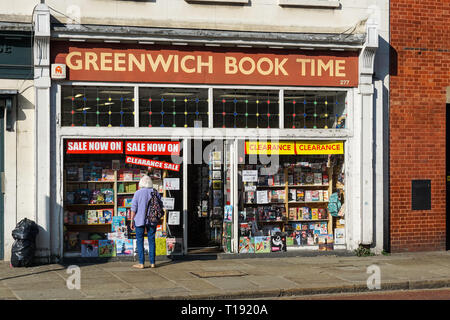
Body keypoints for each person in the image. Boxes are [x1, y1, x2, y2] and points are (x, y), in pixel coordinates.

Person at [130, 174, 161, 269]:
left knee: (140, 241)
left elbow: (133, 208)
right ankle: (152, 263)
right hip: (152, 220)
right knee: (152, 240)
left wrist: (131, 220)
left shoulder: (138, 193)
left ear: (141, 183)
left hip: (140, 220)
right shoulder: (155, 192)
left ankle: (141, 263)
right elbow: (160, 205)